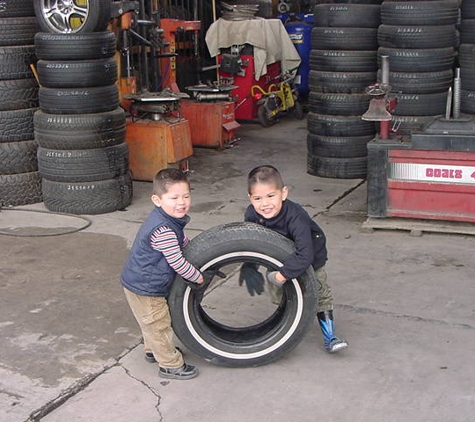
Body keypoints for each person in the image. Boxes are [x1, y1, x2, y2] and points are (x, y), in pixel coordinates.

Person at [240, 165, 348, 353]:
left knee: (320, 295)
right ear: (250, 198)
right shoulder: (252, 214)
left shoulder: (295, 215)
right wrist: (250, 267)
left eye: (270, 196)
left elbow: (305, 254)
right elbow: (252, 242)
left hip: (311, 257)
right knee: (283, 296)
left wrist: (282, 276)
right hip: (278, 259)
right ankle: (285, 328)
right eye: (258, 198)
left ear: (284, 193)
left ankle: (330, 336)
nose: (265, 204)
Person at [120, 168, 203, 380]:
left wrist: (191, 246)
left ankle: (153, 351)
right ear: (157, 200)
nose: (181, 202)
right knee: (159, 324)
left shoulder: (167, 219)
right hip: (146, 287)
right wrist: (196, 276)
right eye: (174, 197)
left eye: (186, 196)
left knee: (150, 322)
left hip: (139, 282)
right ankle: (169, 364)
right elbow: (176, 261)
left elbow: (180, 241)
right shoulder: (163, 230)